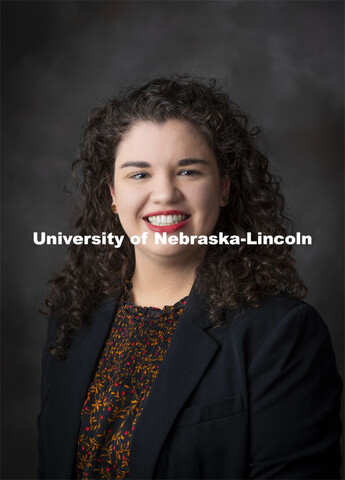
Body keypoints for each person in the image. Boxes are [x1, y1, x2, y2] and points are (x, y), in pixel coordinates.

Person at [37, 75, 342, 479]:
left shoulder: (281, 334)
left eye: (188, 171)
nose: (164, 194)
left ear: (225, 188)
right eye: (139, 174)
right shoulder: (73, 320)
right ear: (111, 194)